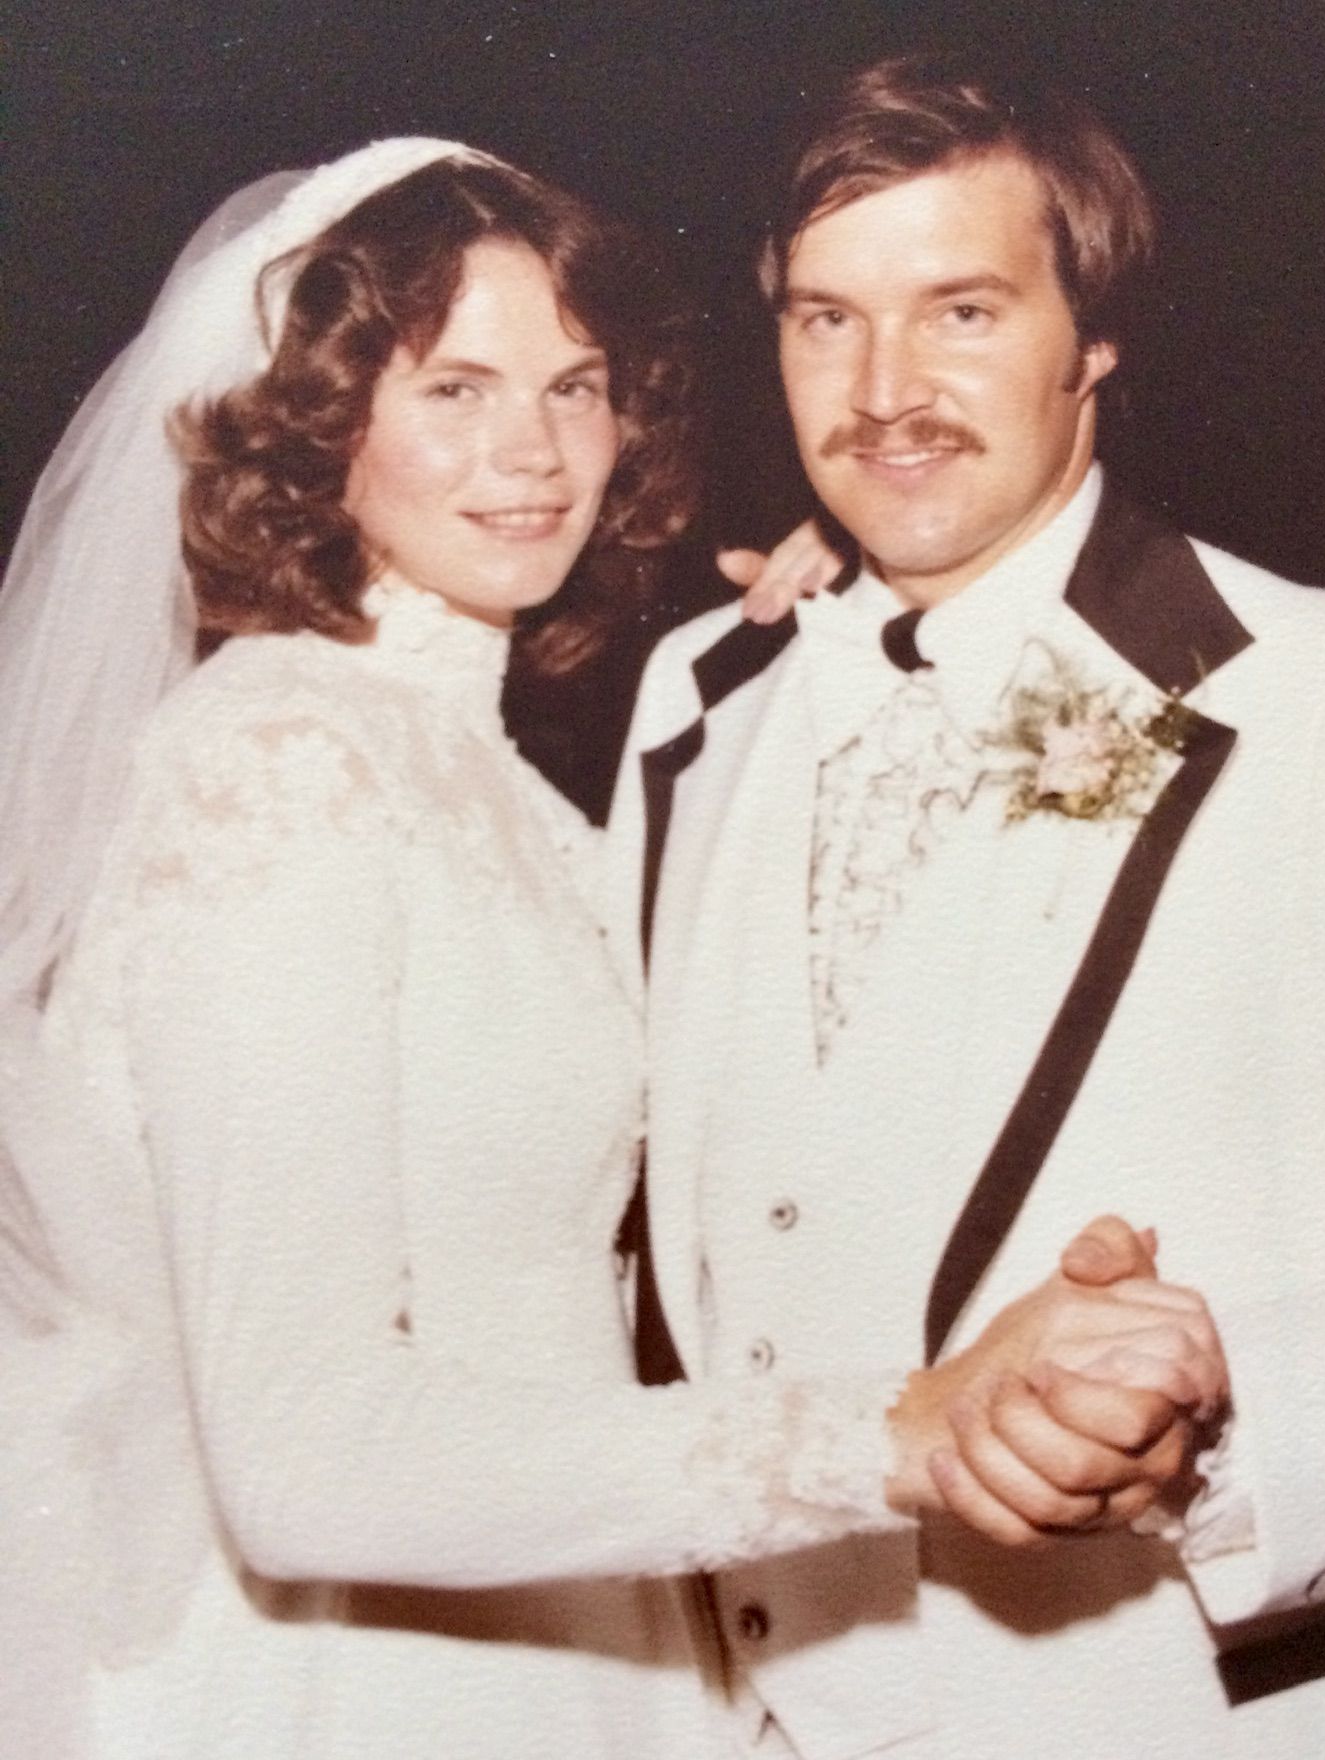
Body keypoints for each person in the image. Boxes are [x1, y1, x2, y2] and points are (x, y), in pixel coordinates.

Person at [0, 139, 1222, 1760]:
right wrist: (901, 1437)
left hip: (572, 1635)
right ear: (312, 420)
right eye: (455, 390)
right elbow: (303, 1460)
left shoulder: (482, 765)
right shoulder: (276, 767)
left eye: (575, 387)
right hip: (362, 1689)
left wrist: (851, 607)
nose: (536, 454)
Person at [610, 51, 1325, 1760]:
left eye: (961, 310)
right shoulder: (699, 705)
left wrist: (1226, 1410)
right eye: (827, 320)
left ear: (1091, 336)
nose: (884, 391)